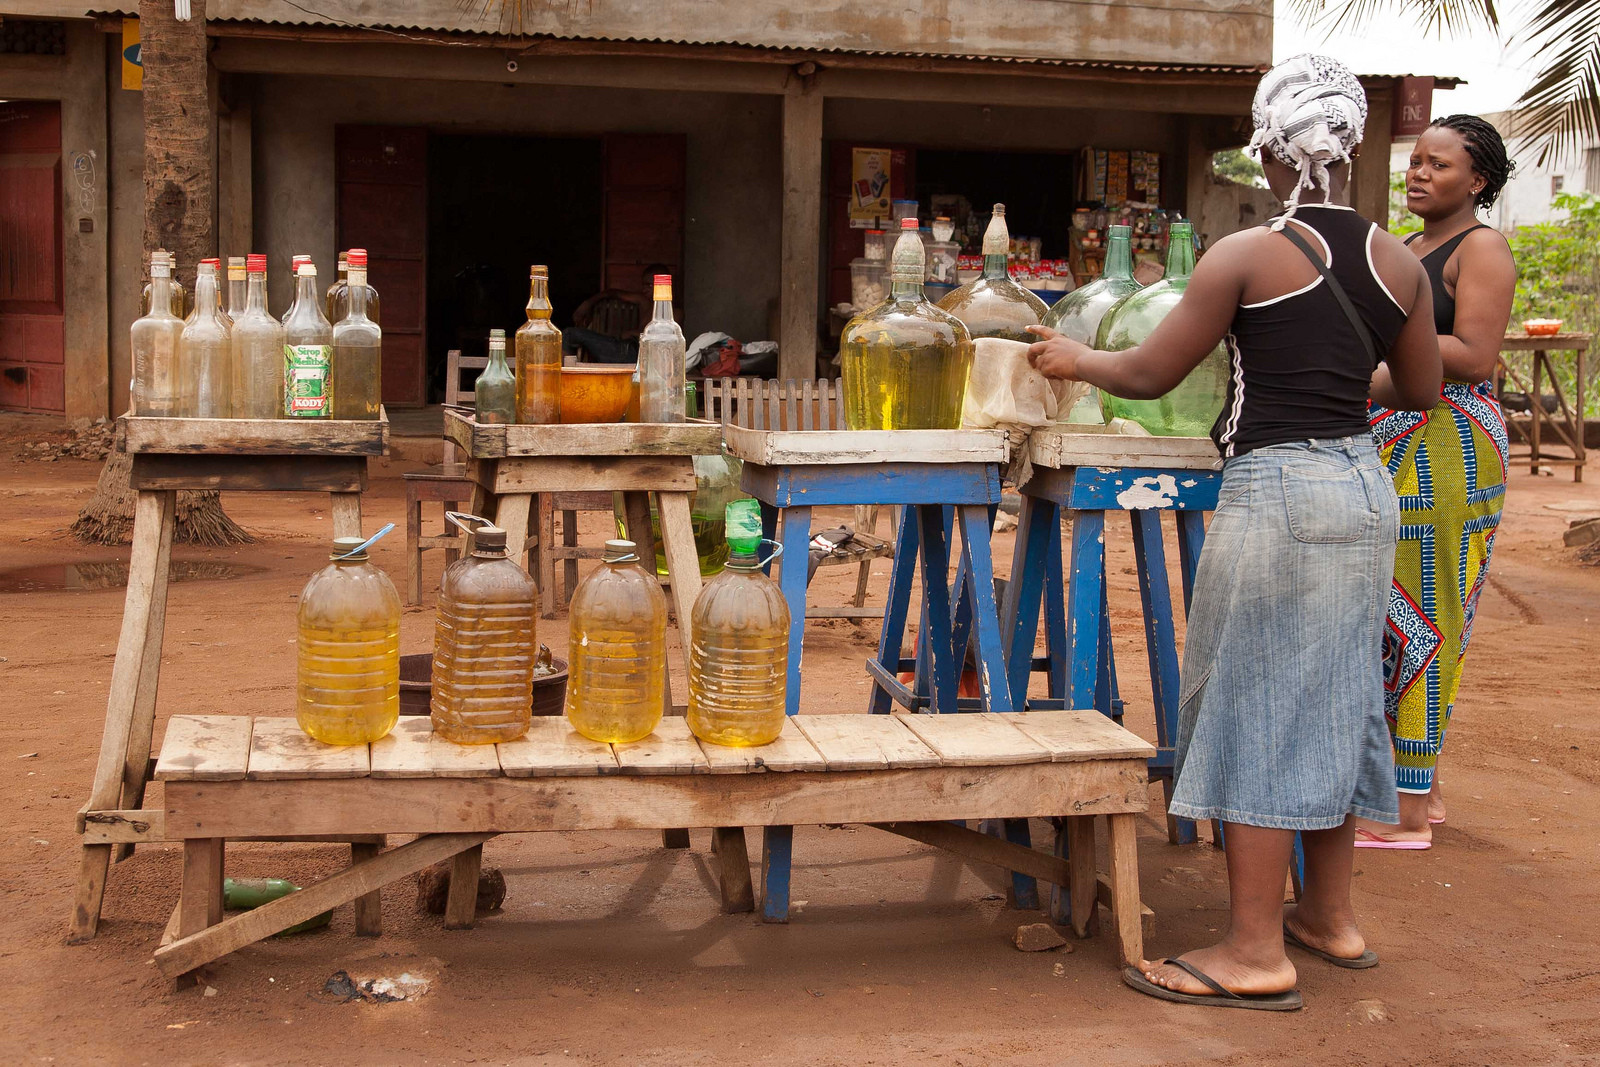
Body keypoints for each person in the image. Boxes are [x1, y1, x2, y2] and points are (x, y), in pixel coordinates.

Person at [1025, 54, 1442, 1010]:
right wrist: (1337, 378)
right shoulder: (1398, 260)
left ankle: (1255, 950)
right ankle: (1327, 918)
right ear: (1350, 146)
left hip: (1280, 489)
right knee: (1341, 695)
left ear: (1266, 148)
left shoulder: (1246, 254)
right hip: (1363, 487)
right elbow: (1419, 389)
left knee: (1257, 702)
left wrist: (1076, 354)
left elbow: (1152, 373)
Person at [1356, 116, 1517, 849]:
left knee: (1422, 615)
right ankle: (1424, 783)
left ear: (1477, 180)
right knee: (1393, 610)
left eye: (1439, 165)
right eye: (1415, 161)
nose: (1419, 173)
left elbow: (1476, 352)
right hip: (1399, 440)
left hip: (1449, 445)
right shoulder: (1407, 245)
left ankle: (1407, 811)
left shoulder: (1480, 247)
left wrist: (1367, 371)